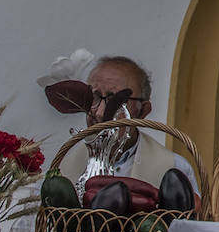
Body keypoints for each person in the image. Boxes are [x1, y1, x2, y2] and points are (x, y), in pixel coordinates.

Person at [56, 55, 197, 188]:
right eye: (94, 97)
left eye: (115, 100)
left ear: (142, 111)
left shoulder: (174, 169)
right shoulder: (63, 165)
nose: (99, 113)